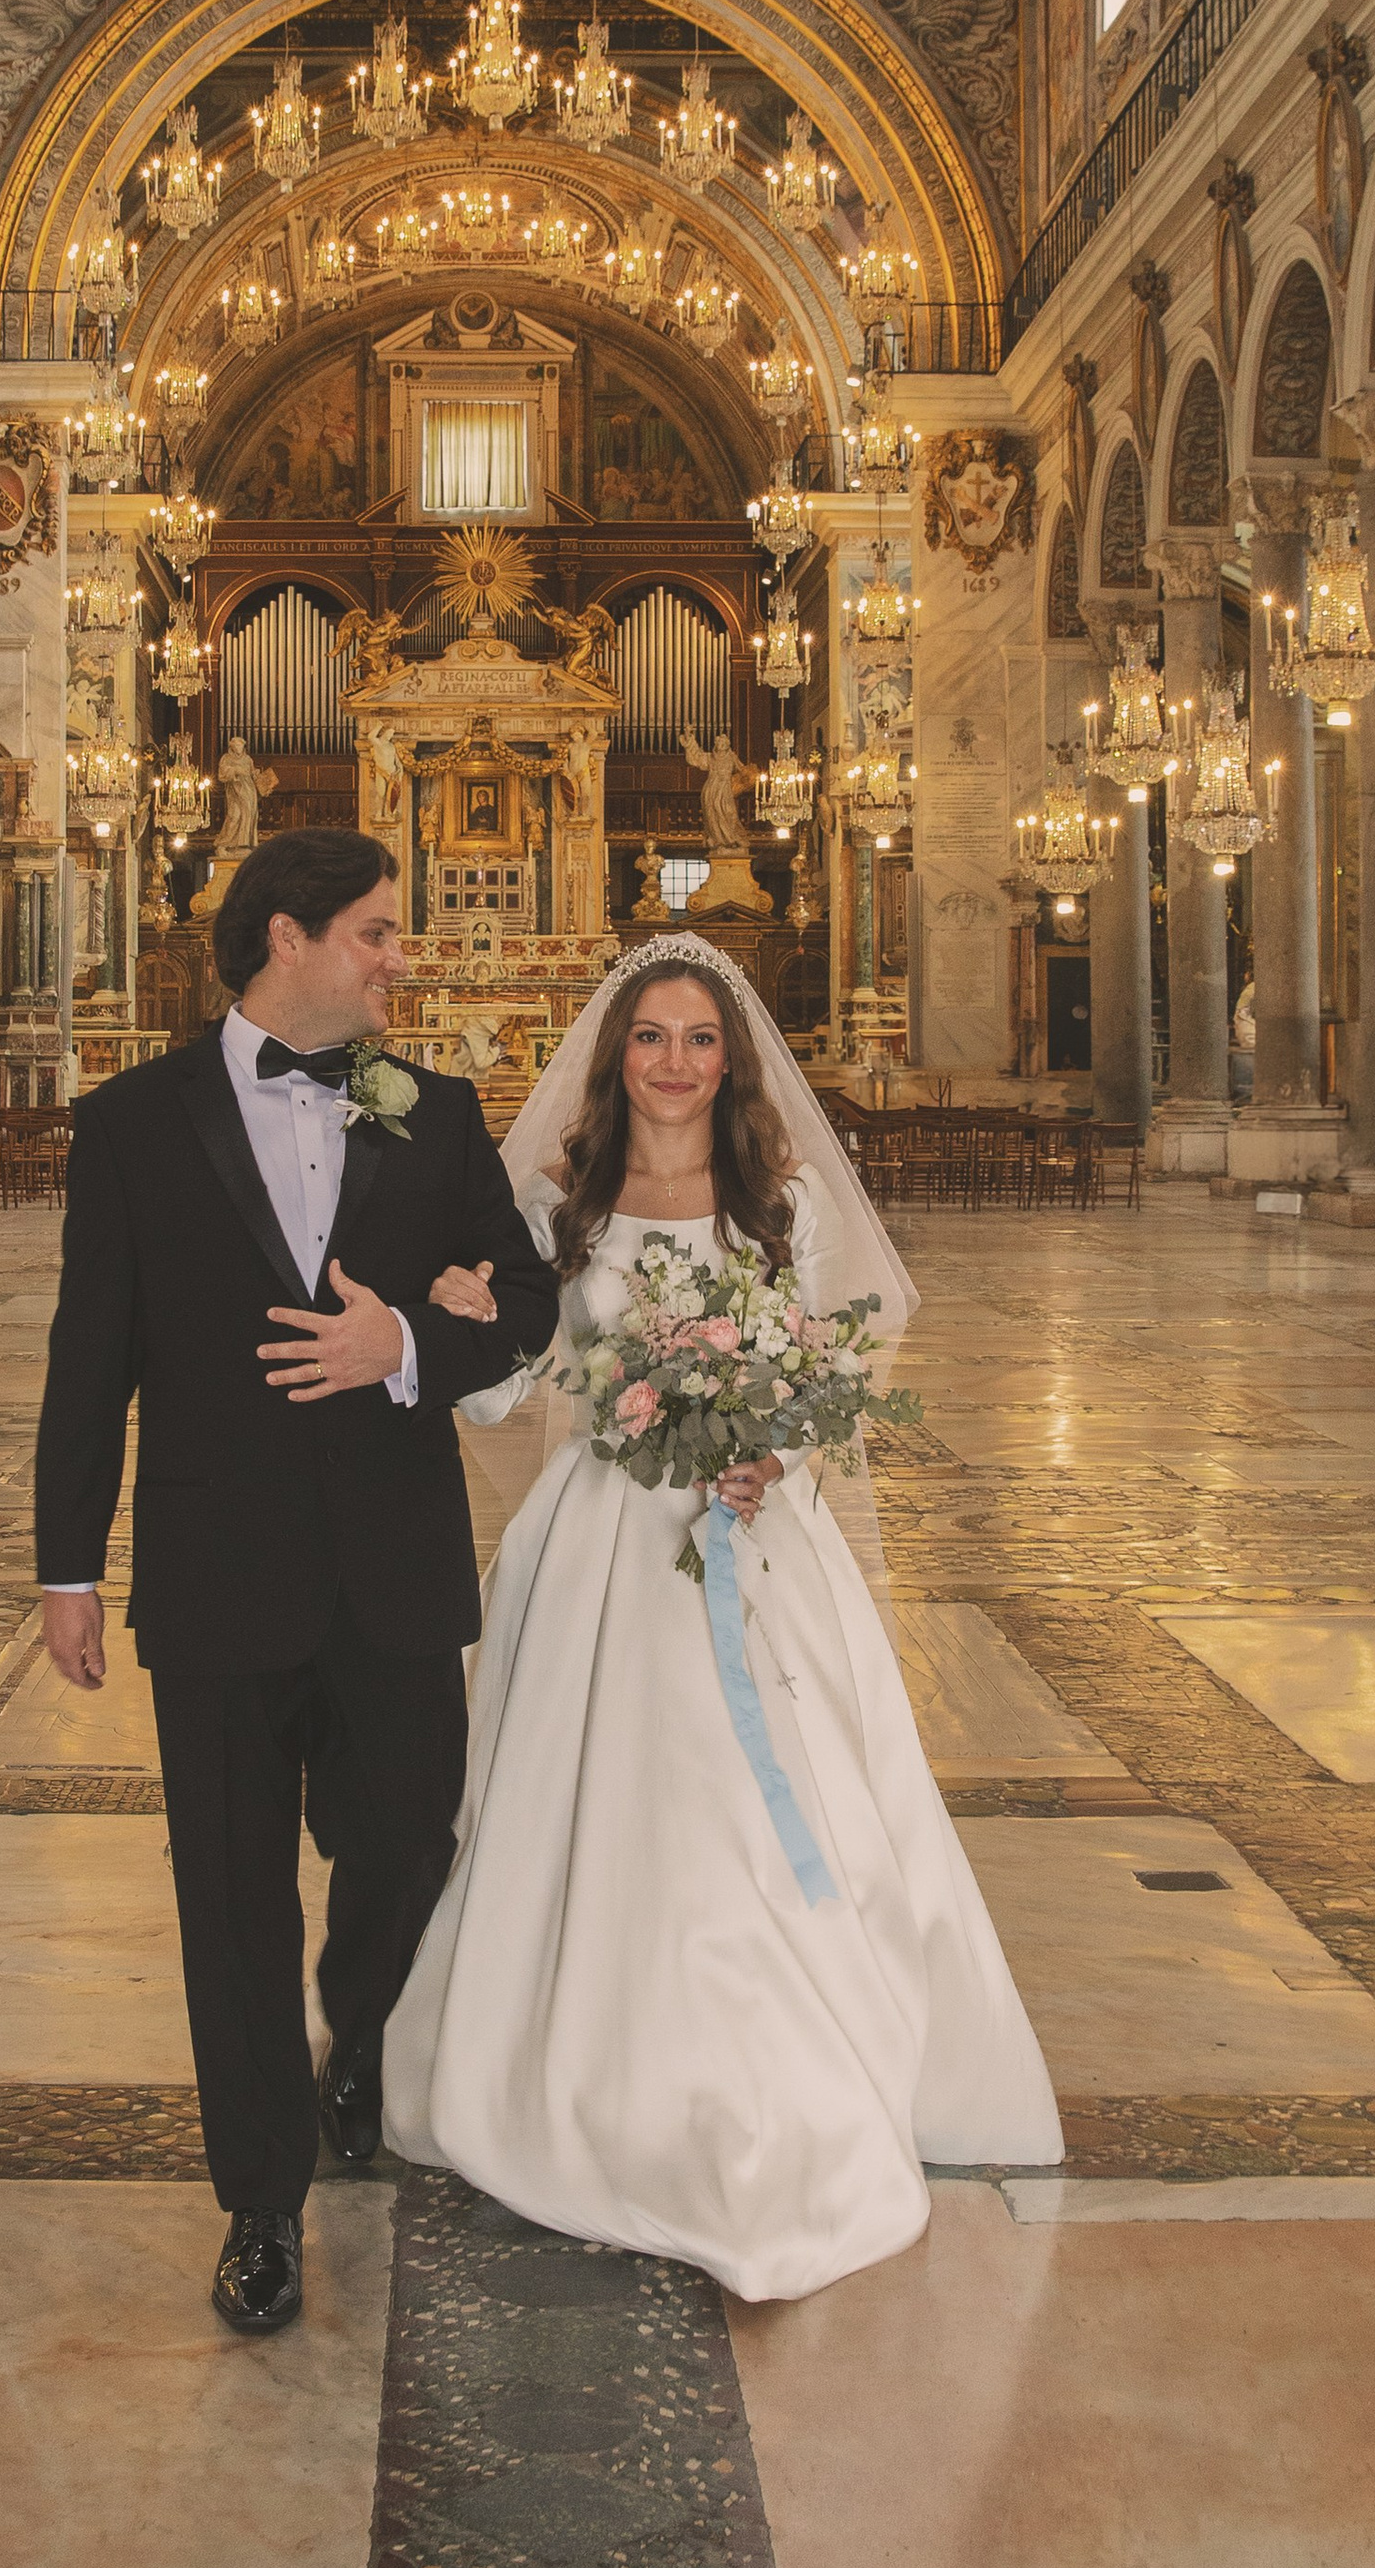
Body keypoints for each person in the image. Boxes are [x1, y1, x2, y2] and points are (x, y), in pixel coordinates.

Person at [381, 932, 1062, 2300]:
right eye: (651, 1036)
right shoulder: (553, 1205)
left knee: (762, 1802)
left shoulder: (782, 1208)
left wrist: (781, 1447)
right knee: (611, 1804)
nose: (675, 1061)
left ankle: (784, 2068)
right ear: (613, 1053)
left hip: (752, 1541)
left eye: (699, 1038)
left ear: (731, 1059)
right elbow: (508, 1396)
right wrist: (457, 1317)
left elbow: (835, 1366)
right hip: (598, 1546)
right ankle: (582, 2078)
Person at [33, 829, 559, 2338]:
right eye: (379, 933)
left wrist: (405, 1346)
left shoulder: (436, 1113)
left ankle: (363, 2019)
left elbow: (522, 1295)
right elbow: (93, 1359)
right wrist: (68, 1562)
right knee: (228, 1892)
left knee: (408, 1834)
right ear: (289, 935)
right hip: (214, 1568)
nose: (405, 956)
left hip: (394, 1566)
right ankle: (260, 2203)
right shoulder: (133, 1124)